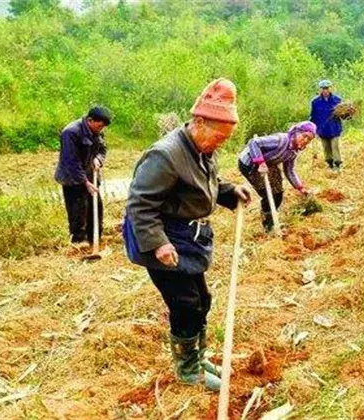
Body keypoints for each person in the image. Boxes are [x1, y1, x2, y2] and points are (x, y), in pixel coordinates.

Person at [123, 79, 251, 391]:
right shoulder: (166, 155)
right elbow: (140, 203)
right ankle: (187, 369)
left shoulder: (203, 148)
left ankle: (199, 355)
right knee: (185, 304)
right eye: (218, 137)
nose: (220, 144)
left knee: (202, 300)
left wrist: (230, 191)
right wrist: (159, 244)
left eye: (226, 139)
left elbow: (204, 184)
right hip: (164, 239)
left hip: (188, 238)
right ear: (198, 122)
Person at [238, 121, 317, 232]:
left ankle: (272, 217)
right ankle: (269, 225)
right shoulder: (280, 140)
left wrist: (300, 187)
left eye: (309, 139)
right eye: (304, 136)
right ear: (296, 132)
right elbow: (254, 142)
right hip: (250, 163)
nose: (306, 141)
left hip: (268, 163)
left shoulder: (293, 152)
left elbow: (289, 171)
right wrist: (260, 162)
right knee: (268, 194)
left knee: (278, 193)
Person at [54, 106, 111, 246]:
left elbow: (103, 149)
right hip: (72, 178)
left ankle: (95, 240)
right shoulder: (70, 133)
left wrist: (98, 158)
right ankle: (79, 244)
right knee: (78, 212)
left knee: (95, 208)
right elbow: (71, 162)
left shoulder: (97, 131)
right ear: (90, 120)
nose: (101, 129)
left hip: (90, 175)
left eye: (103, 126)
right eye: (99, 125)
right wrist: (85, 182)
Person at [310, 79, 343, 172]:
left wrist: (347, 114)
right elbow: (313, 116)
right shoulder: (315, 102)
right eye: (323, 88)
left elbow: (343, 115)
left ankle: (337, 164)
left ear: (330, 89)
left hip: (334, 128)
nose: (325, 90)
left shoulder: (337, 100)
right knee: (326, 148)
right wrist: (311, 128)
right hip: (322, 129)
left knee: (334, 146)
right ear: (320, 89)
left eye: (327, 88)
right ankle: (330, 163)